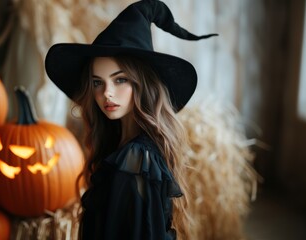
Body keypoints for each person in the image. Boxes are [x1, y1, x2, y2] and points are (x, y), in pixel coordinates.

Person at [45, 0, 216, 239]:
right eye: (98, 82)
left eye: (120, 80)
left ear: (142, 83)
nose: (106, 93)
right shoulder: (122, 145)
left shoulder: (136, 159)